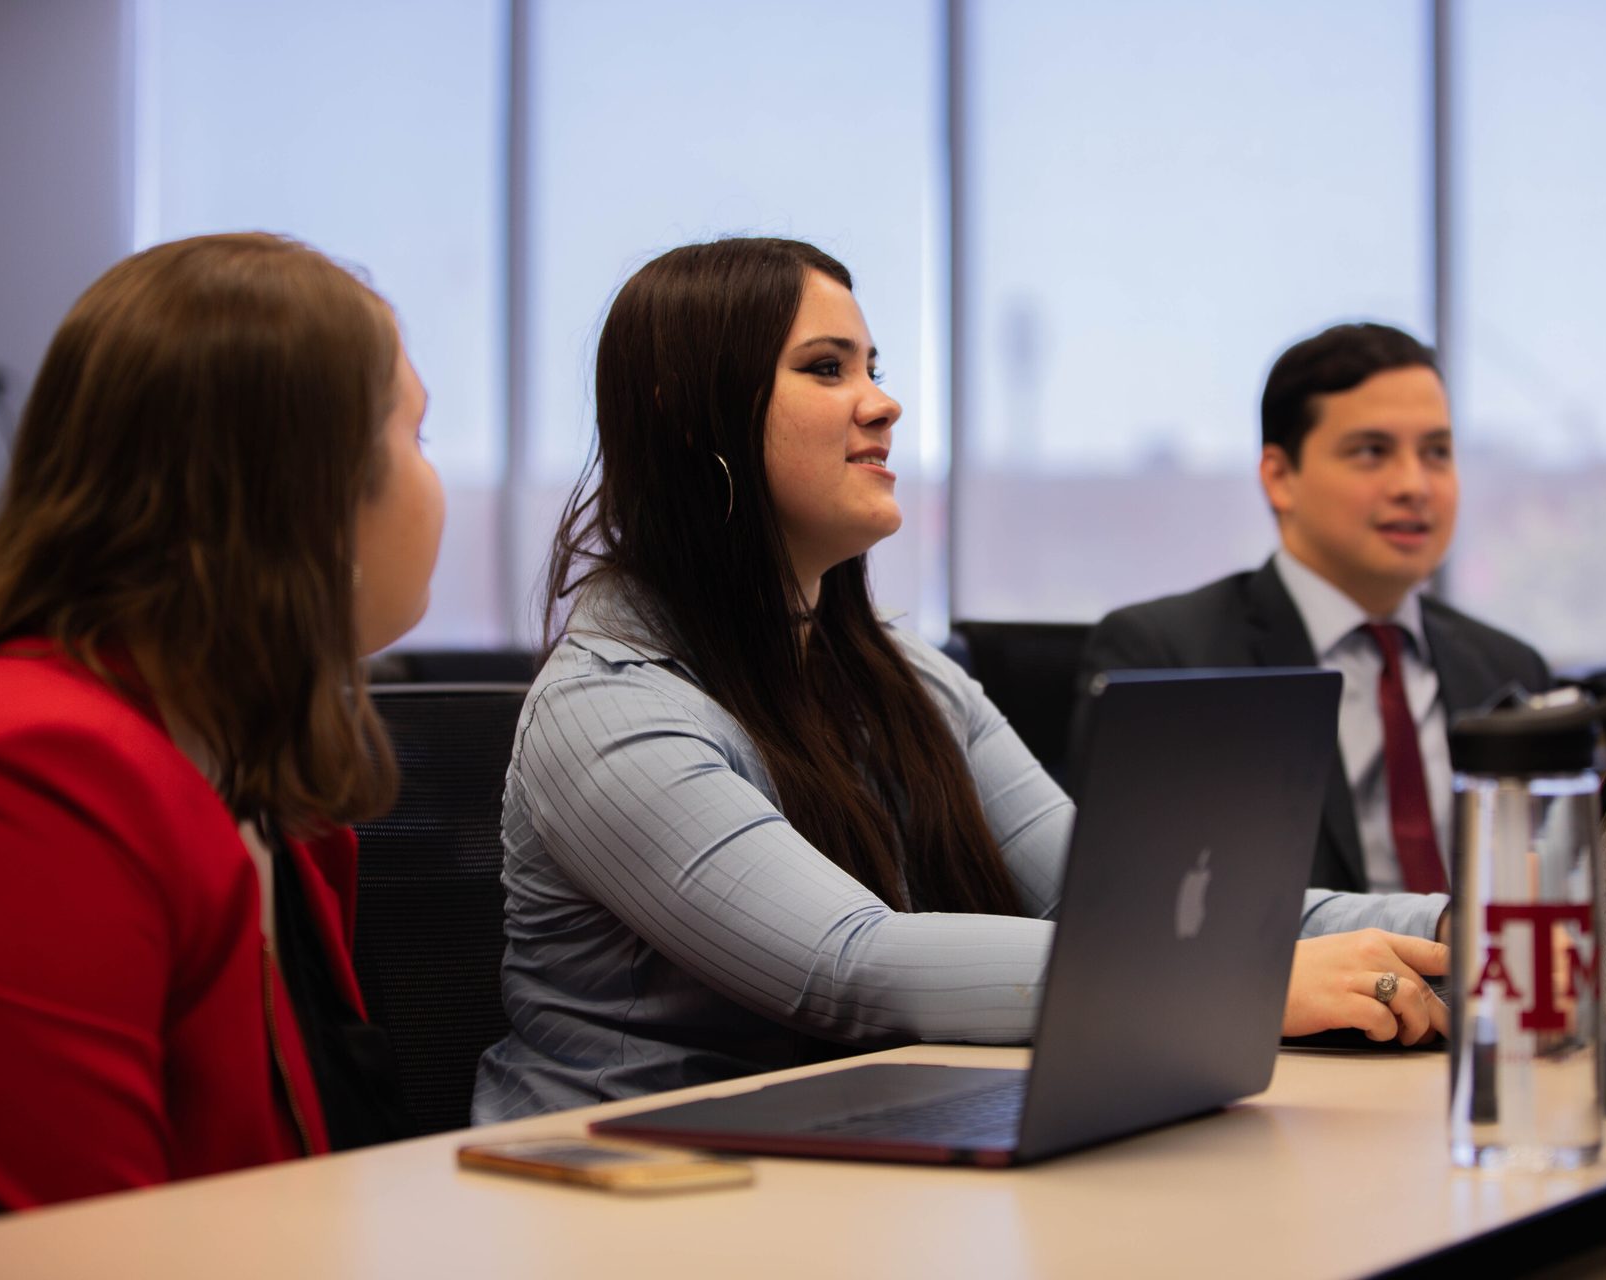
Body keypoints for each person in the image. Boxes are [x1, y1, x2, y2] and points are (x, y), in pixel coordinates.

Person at [473, 240, 1451, 1123]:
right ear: (688, 422)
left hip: (834, 1169)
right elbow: (845, 962)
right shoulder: (606, 705)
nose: (884, 402)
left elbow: (1117, 898)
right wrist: (1230, 978)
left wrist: (1467, 926)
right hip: (612, 1202)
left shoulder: (905, 680)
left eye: (874, 368)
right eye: (824, 368)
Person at [0, 233, 444, 1224]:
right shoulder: (25, 773)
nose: (431, 481)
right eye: (417, 435)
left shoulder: (262, 779)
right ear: (307, 493)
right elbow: (72, 1248)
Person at [1078, 323, 1550, 896]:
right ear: (1280, 478)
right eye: (1372, 452)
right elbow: (1130, 907)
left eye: (1437, 453)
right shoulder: (1168, 656)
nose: (1414, 485)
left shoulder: (1508, 667)